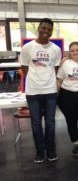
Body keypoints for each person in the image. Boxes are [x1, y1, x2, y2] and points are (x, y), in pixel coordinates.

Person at [19, 18, 61, 163]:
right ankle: (39, 152)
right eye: (44, 28)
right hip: (33, 92)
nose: (46, 31)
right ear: (39, 27)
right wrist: (35, 78)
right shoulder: (27, 47)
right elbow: (24, 68)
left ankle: (50, 151)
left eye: (49, 29)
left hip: (50, 91)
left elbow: (55, 69)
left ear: (51, 32)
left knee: (50, 123)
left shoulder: (56, 49)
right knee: (36, 123)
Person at [57, 42, 78, 157]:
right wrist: (55, 96)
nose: (75, 52)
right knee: (71, 120)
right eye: (72, 50)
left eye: (77, 50)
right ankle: (75, 143)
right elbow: (59, 80)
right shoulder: (66, 63)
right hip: (67, 95)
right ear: (69, 53)